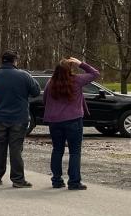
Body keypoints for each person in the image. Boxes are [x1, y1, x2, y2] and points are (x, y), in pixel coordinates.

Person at [0, 50, 41, 188]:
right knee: (16, 149)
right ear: (15, 61)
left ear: (2, 60)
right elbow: (36, 91)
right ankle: (18, 179)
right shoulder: (24, 75)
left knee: (0, 147)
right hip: (19, 118)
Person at [43, 57, 100, 190]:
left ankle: (56, 180)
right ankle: (74, 182)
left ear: (56, 70)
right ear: (70, 70)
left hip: (54, 121)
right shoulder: (77, 80)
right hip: (73, 120)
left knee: (57, 150)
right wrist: (81, 63)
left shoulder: (50, 83)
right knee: (75, 152)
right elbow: (95, 74)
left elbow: (45, 100)